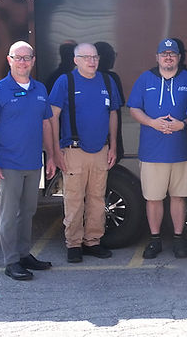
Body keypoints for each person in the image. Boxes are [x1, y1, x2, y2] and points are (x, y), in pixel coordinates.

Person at [0, 41, 57, 281]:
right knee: (9, 215)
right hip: (8, 165)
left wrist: (51, 155)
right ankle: (11, 261)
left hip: (33, 163)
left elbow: (46, 124)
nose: (22, 62)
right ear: (9, 60)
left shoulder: (40, 89)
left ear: (33, 61)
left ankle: (24, 254)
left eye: (27, 57)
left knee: (28, 211)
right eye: (18, 57)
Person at [48, 43, 120, 263]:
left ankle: (93, 241)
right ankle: (74, 244)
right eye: (86, 57)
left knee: (97, 198)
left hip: (101, 150)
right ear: (76, 60)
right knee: (74, 200)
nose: (92, 61)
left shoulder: (107, 81)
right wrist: (55, 150)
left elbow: (113, 114)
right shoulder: (65, 82)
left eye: (95, 57)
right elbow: (53, 116)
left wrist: (113, 146)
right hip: (73, 151)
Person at [128, 39, 187, 260]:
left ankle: (178, 239)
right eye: (164, 53)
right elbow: (134, 108)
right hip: (152, 151)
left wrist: (182, 124)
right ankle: (155, 239)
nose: (168, 57)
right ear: (157, 57)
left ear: (179, 57)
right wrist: (151, 122)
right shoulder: (145, 79)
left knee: (179, 197)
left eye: (172, 54)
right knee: (153, 198)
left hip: (181, 150)